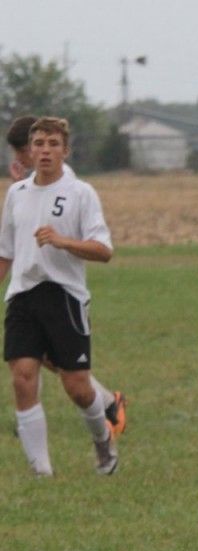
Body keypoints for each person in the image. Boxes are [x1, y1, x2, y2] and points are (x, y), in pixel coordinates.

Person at [0, 117, 120, 475]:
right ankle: (42, 473)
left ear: (65, 151)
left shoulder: (80, 192)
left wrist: (63, 241)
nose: (45, 150)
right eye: (39, 144)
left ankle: (104, 445)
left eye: (53, 144)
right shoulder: (16, 194)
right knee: (22, 376)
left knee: (78, 388)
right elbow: (5, 251)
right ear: (29, 152)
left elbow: (104, 250)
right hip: (22, 295)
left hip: (64, 297)